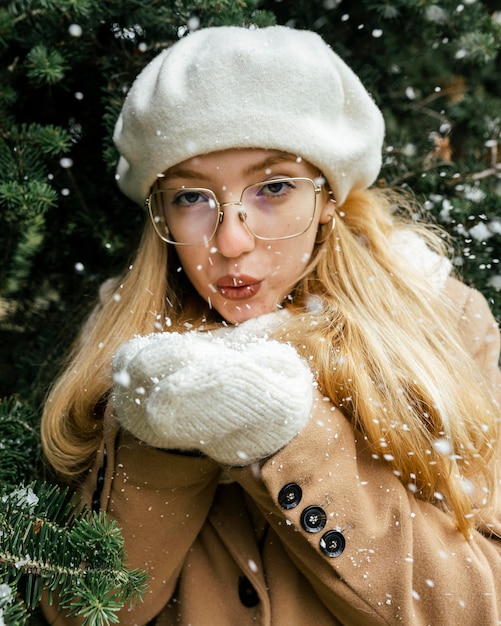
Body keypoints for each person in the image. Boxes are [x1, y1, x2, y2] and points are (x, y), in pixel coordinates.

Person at [41, 25, 501, 625]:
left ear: (329, 195)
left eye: (274, 187)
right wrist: (163, 443)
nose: (230, 242)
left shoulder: (444, 321)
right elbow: (81, 610)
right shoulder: (122, 344)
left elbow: (476, 608)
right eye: (192, 198)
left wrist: (289, 436)